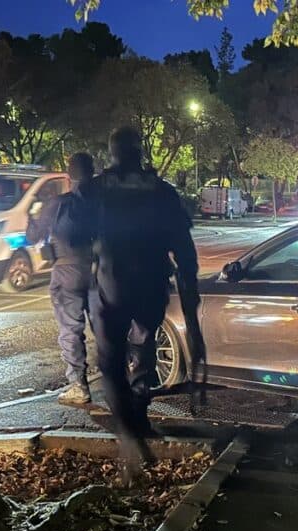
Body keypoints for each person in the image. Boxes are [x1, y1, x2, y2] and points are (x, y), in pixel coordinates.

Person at [83, 126, 202, 457]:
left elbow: (71, 238)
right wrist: (191, 305)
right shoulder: (162, 192)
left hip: (111, 288)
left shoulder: (96, 190)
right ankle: (138, 418)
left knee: (111, 361)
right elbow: (185, 250)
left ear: (113, 153)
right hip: (150, 289)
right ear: (141, 152)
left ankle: (128, 430)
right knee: (144, 347)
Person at [31, 152, 96, 404]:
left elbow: (33, 237)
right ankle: (119, 381)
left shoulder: (58, 203)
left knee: (70, 328)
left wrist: (33, 215)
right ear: (92, 172)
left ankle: (79, 385)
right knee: (107, 328)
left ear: (69, 175)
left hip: (68, 271)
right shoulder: (104, 203)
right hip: (101, 272)